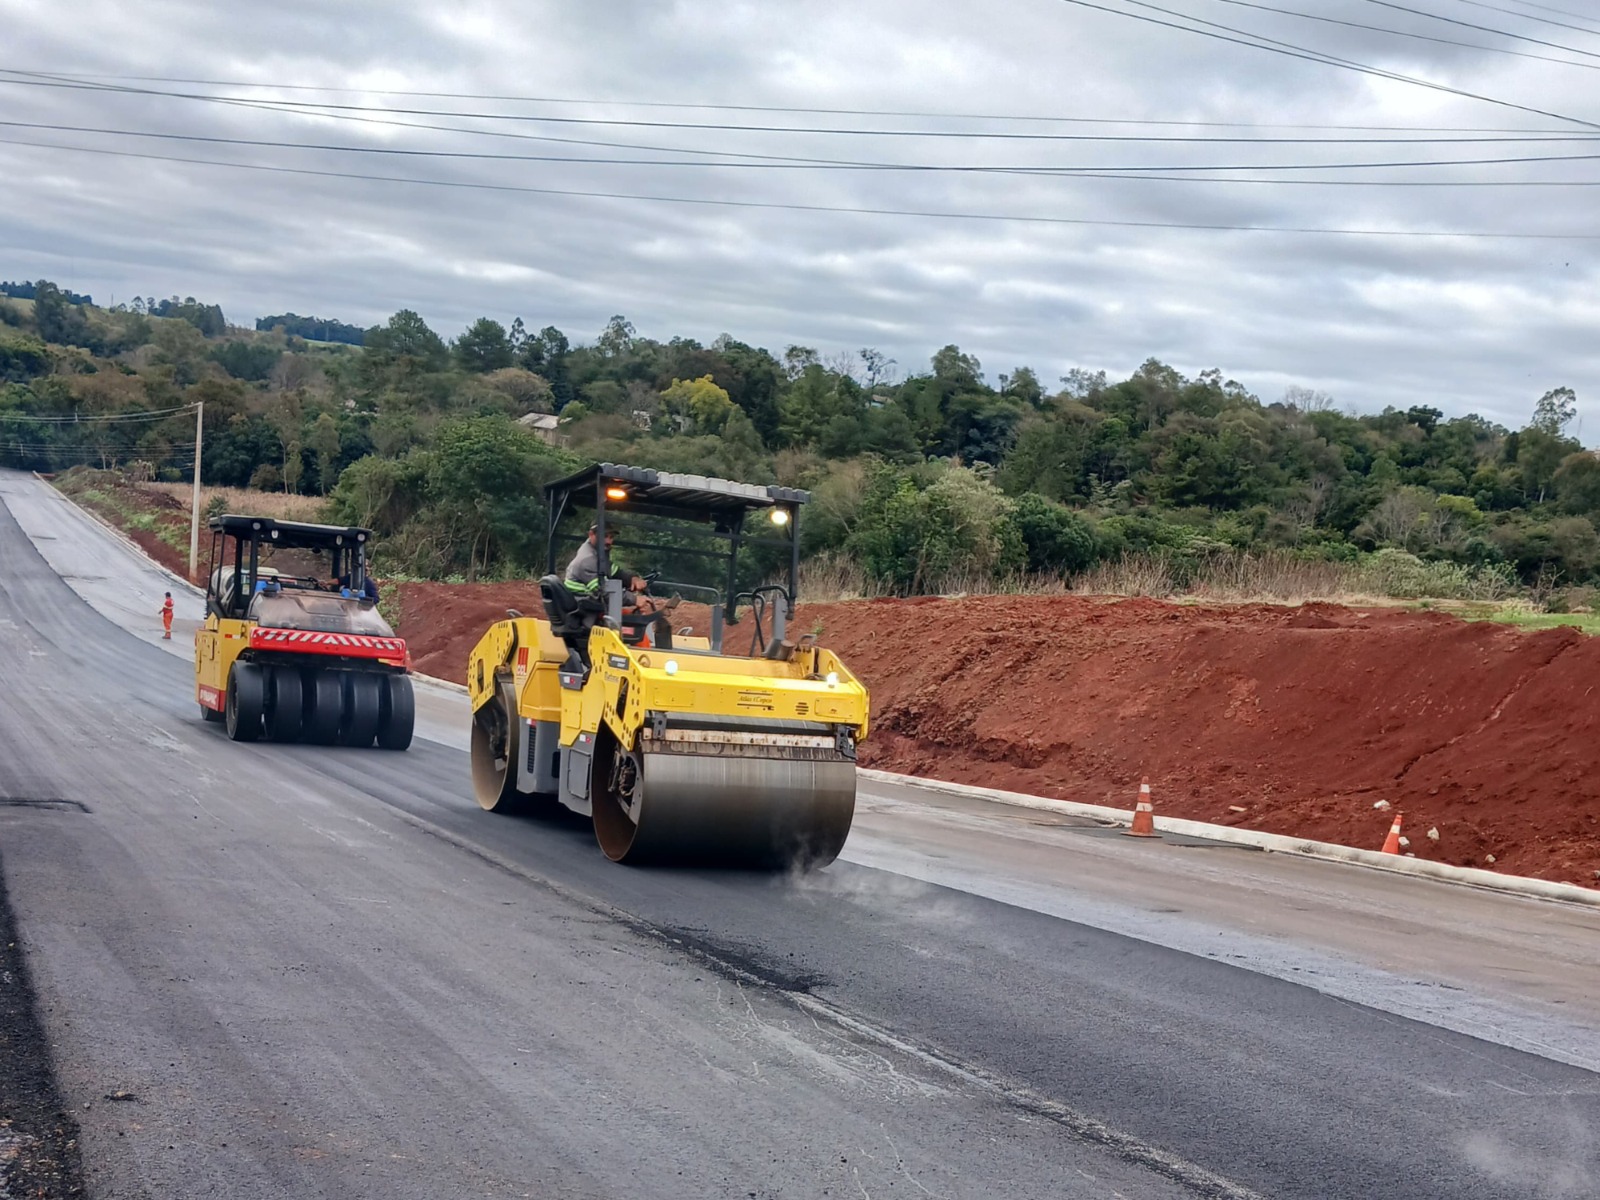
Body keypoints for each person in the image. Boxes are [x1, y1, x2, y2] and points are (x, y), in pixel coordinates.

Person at [563, 525, 673, 647]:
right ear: (591, 534)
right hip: (586, 616)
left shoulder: (597, 554)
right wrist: (635, 599)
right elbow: (604, 592)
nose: (609, 541)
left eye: (611, 537)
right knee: (635, 628)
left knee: (631, 619)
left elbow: (616, 572)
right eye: (604, 536)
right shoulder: (588, 560)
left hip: (591, 609)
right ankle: (644, 662)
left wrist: (632, 579)